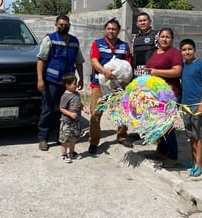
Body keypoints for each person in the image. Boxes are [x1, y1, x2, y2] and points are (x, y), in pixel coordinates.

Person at [37, 15, 84, 151]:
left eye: (66, 24)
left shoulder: (74, 41)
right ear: (56, 25)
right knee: (48, 109)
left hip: (68, 83)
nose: (64, 26)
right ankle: (43, 138)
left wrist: (81, 78)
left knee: (64, 110)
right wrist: (40, 80)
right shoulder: (50, 39)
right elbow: (41, 60)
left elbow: (79, 62)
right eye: (61, 24)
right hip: (52, 81)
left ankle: (61, 136)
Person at [88, 18, 133, 154]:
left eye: (114, 29)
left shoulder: (124, 46)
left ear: (118, 31)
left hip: (118, 85)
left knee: (122, 111)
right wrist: (104, 71)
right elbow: (94, 60)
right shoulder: (97, 44)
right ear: (104, 30)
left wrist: (126, 80)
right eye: (109, 29)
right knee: (96, 113)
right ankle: (93, 141)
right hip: (99, 85)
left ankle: (122, 136)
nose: (111, 31)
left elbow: (128, 65)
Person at [145, 27, 183, 165]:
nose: (165, 39)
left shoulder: (174, 53)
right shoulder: (155, 53)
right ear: (158, 38)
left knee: (167, 127)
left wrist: (157, 72)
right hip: (156, 95)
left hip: (171, 95)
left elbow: (177, 71)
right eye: (162, 36)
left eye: (168, 37)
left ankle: (173, 158)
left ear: (172, 40)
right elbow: (150, 70)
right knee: (159, 126)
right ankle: (161, 151)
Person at [179, 38, 202, 177]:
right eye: (184, 50)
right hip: (185, 105)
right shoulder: (183, 66)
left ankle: (198, 164)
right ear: (181, 52)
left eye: (189, 49)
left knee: (198, 136)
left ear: (194, 49)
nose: (187, 52)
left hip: (197, 105)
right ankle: (193, 161)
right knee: (191, 135)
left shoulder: (200, 65)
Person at [59, 74, 90, 163]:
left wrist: (84, 108)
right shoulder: (65, 96)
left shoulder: (76, 94)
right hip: (67, 122)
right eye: (74, 84)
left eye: (76, 83)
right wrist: (70, 114)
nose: (76, 85)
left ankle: (72, 152)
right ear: (67, 85)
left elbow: (79, 104)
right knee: (65, 139)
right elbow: (62, 108)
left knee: (73, 138)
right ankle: (64, 154)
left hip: (76, 122)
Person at [131, 12, 157, 77]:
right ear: (137, 24)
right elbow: (132, 54)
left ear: (150, 21)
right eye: (140, 21)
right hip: (137, 74)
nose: (142, 23)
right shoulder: (134, 38)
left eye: (145, 20)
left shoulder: (157, 35)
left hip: (152, 73)